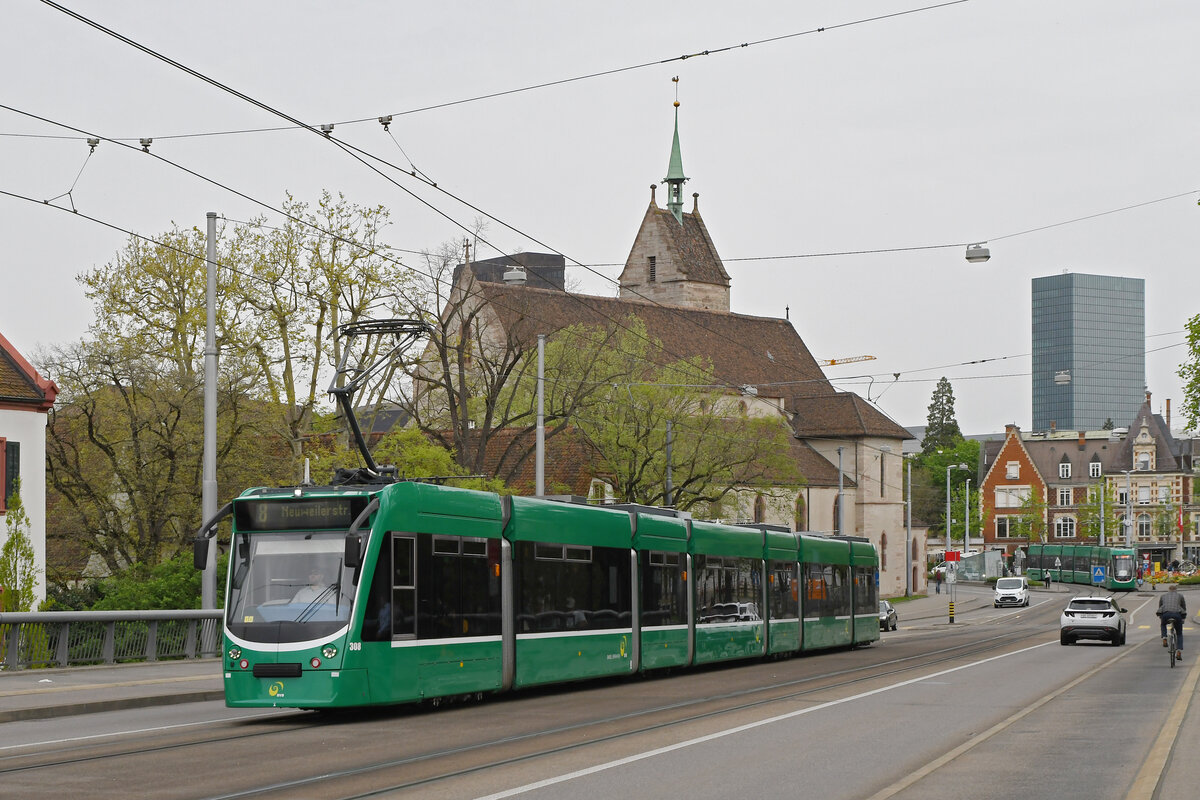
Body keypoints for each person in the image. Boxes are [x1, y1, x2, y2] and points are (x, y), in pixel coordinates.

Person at [1157, 583, 1186, 661]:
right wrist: (1183, 618)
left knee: (1163, 624)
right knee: (1179, 633)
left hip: (1166, 614)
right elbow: (1184, 607)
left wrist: (1161, 617)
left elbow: (1160, 607)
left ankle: (1164, 637)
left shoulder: (1163, 596)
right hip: (1177, 615)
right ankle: (1179, 651)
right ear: (1176, 590)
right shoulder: (1180, 596)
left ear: (1168, 590)